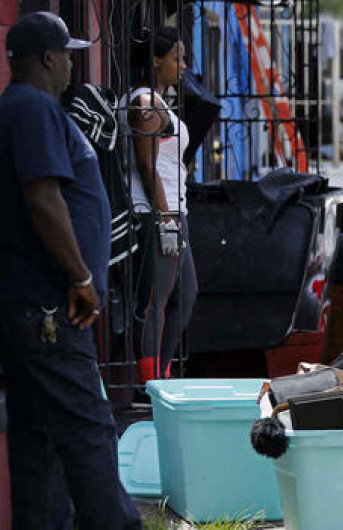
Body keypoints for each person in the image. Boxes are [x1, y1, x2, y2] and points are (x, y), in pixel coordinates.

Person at [0, 11, 142, 528]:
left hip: (28, 302)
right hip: (51, 304)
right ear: (46, 59)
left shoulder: (19, 108)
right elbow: (44, 199)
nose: (71, 63)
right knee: (87, 427)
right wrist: (81, 278)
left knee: (37, 433)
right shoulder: (35, 109)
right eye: (66, 54)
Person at [120, 26, 197, 384]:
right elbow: (146, 164)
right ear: (155, 60)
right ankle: (150, 383)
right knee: (154, 304)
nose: (183, 65)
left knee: (185, 294)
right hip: (156, 214)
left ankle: (161, 375)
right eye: (177, 57)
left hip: (174, 212)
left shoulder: (158, 101)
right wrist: (165, 218)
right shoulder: (144, 102)